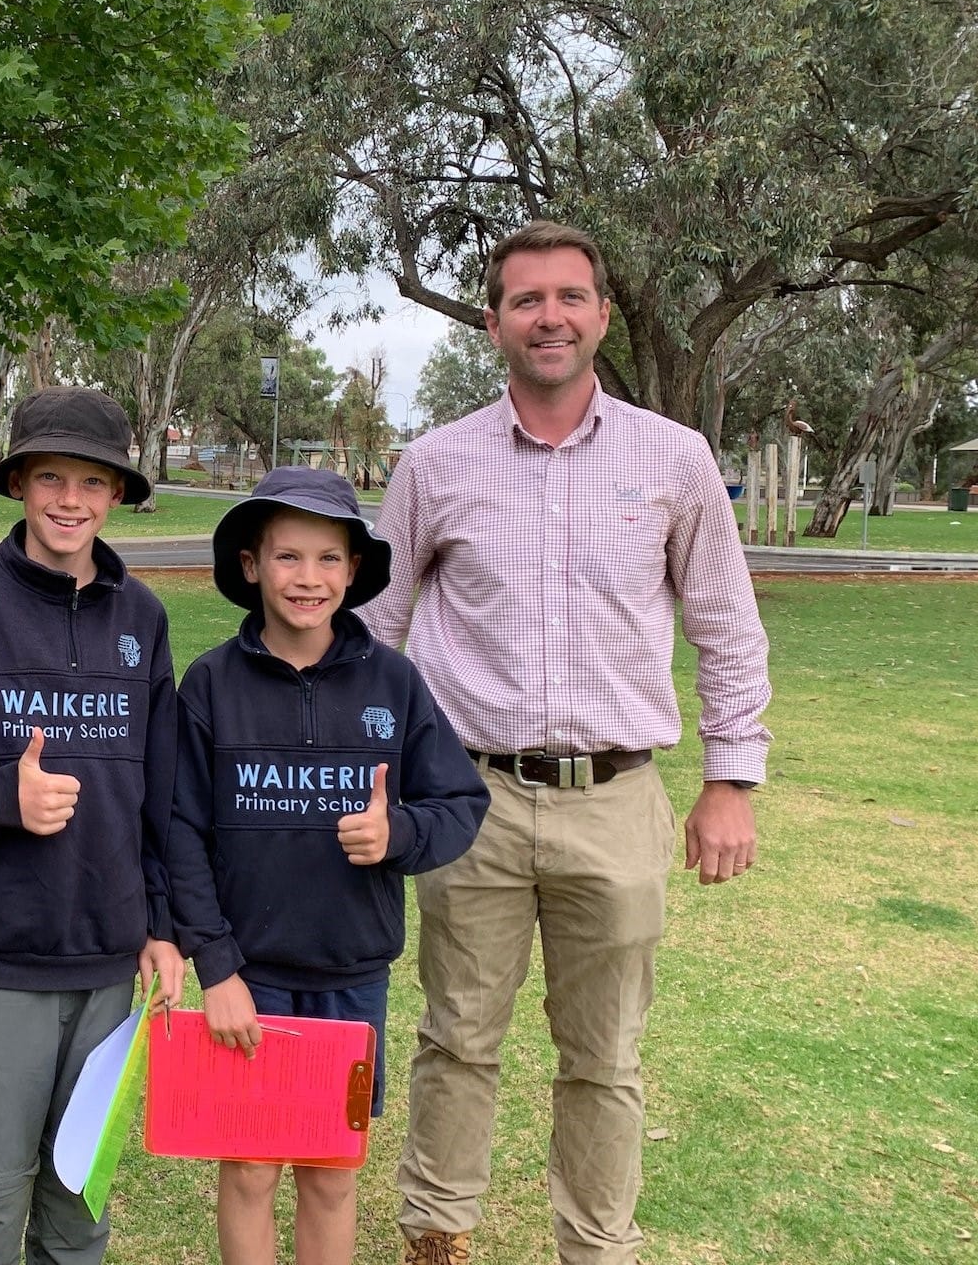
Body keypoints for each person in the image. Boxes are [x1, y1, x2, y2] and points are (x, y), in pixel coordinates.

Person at [357, 220, 772, 1265]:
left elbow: (727, 627)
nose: (550, 317)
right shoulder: (435, 463)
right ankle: (436, 1235)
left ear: (601, 315)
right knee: (456, 1039)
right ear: (493, 321)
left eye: (570, 298)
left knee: (606, 1057)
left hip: (617, 801)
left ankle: (597, 1248)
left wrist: (733, 780)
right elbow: (375, 630)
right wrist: (367, 771)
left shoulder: (672, 461)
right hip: (467, 802)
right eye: (527, 300)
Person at [166, 468, 489, 1265]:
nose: (307, 579)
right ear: (251, 566)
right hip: (249, 976)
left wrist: (398, 835)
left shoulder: (394, 683)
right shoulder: (211, 685)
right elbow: (179, 832)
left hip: (350, 973)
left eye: (327, 559)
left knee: (331, 1172)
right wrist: (217, 967)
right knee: (247, 1169)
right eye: (286, 557)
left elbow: (460, 802)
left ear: (352, 571)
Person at [0, 386, 186, 1265]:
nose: (71, 500)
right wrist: (1, 798)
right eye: (52, 477)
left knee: (78, 1208)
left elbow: (165, 794)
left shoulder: (142, 617)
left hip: (110, 968)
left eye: (93, 482)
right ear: (21, 483)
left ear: (116, 497)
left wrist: (165, 928)